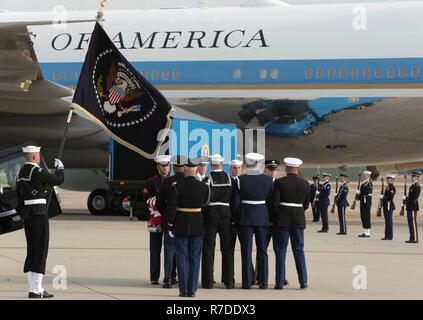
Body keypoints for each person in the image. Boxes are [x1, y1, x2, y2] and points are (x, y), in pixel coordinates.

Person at [16, 145, 64, 298]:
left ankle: (35, 288)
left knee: (32, 251)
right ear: (35, 157)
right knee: (41, 251)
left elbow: (18, 198)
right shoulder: (38, 171)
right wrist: (60, 168)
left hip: (28, 215)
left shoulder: (20, 173)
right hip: (39, 214)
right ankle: (36, 290)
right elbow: (58, 180)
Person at [167, 159, 210, 297]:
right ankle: (192, 290)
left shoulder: (176, 186)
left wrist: (170, 224)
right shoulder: (203, 186)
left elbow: (172, 208)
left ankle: (183, 289)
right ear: (196, 170)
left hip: (181, 224)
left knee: (181, 256)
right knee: (195, 257)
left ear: (185, 170)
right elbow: (205, 204)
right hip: (197, 224)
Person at [233, 152, 273, 289]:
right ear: (258, 164)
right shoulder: (268, 180)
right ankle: (264, 281)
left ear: (247, 164)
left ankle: (247, 282)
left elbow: (237, 203)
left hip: (246, 217)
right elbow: (271, 202)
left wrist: (236, 218)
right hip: (262, 216)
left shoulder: (240, 179)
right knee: (262, 250)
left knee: (246, 250)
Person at [270, 157, 310, 289]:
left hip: (282, 219)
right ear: (297, 170)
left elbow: (275, 203)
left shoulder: (280, 183)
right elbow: (306, 205)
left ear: (286, 169)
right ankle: (303, 281)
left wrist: (276, 216)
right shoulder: (305, 184)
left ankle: (280, 282)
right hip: (298, 219)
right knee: (299, 250)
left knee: (280, 250)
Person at [201, 154, 234, 289]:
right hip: (226, 215)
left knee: (208, 249)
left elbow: (204, 199)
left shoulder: (207, 179)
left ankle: (208, 282)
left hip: (211, 215)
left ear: (211, 164)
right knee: (227, 249)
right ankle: (229, 281)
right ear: (222, 163)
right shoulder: (230, 179)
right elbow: (234, 198)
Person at [156, 156, 185, 288]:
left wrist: (166, 214)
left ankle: (168, 278)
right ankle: (183, 278)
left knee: (169, 250)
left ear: (173, 167)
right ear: (184, 167)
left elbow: (159, 203)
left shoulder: (167, 182)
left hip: (169, 220)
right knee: (184, 251)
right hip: (185, 220)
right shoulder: (188, 181)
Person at [143, 154, 171, 285]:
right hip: (155, 219)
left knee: (171, 250)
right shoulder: (151, 182)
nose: (165, 168)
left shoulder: (173, 180)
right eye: (163, 166)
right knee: (155, 250)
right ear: (158, 167)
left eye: (167, 165)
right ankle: (154, 276)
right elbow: (147, 200)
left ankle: (171, 275)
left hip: (169, 219)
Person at [405, 171, 420, 244]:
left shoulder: (417, 186)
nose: (412, 178)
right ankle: (411, 238)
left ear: (417, 178)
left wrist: (407, 198)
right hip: (409, 206)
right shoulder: (412, 186)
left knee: (413, 223)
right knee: (410, 223)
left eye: (414, 177)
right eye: (412, 177)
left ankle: (415, 238)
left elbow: (414, 198)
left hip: (413, 207)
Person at [357, 170, 373, 238]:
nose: (363, 176)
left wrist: (360, 194)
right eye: (363, 175)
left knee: (366, 216)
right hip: (363, 201)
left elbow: (368, 191)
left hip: (367, 201)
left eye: (365, 175)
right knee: (363, 216)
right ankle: (364, 231)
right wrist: (358, 195)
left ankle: (367, 232)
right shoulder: (363, 183)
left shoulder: (369, 183)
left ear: (368, 176)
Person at [381, 174, 396, 241]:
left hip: (389, 206)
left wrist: (383, 197)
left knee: (389, 221)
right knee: (387, 221)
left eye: (389, 179)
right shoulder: (388, 187)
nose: (387, 180)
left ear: (392, 180)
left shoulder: (392, 188)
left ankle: (389, 236)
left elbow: (390, 197)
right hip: (386, 206)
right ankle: (386, 235)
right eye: (387, 179)